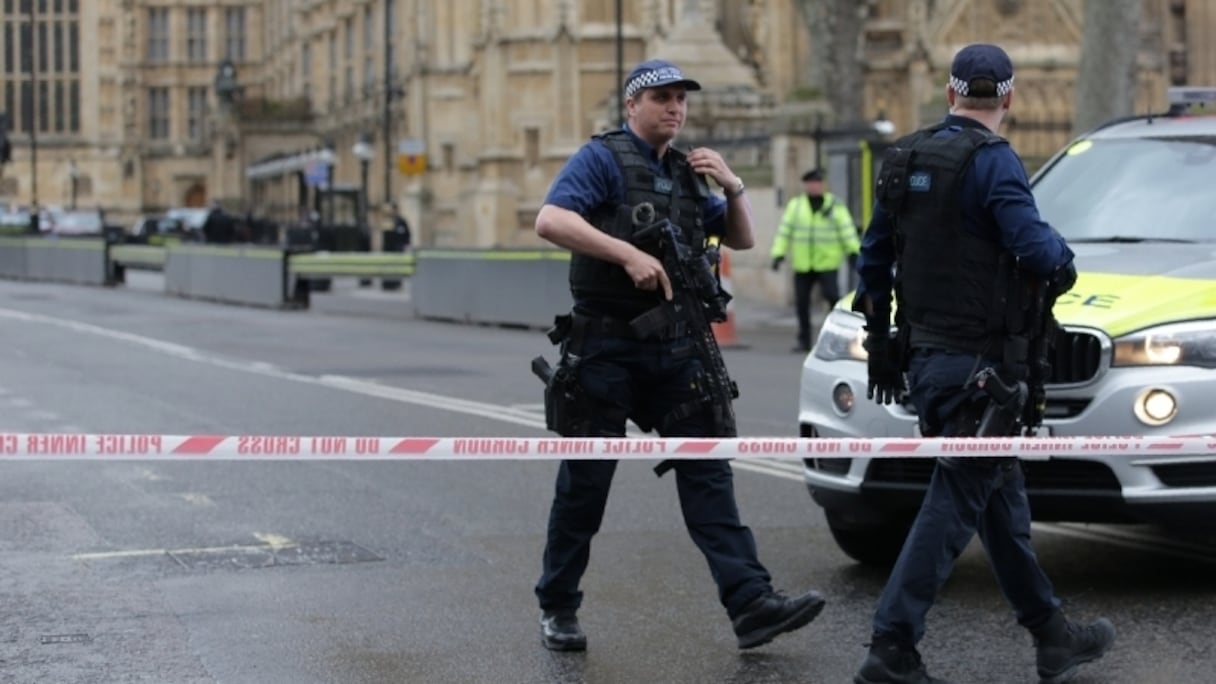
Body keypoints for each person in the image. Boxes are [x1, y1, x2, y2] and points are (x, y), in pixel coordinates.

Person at [532, 58, 826, 653]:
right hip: (607, 346)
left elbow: (741, 238)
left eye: (680, 99)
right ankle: (558, 605)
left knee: (709, 473)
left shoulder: (691, 171)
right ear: (632, 105)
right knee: (586, 485)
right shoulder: (603, 158)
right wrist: (627, 256)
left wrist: (733, 186)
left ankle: (751, 604)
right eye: (661, 97)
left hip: (675, 348)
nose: (674, 107)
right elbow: (550, 219)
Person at [850, 44, 1115, 684]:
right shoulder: (994, 162)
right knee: (956, 498)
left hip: (927, 362)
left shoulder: (903, 156)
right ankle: (892, 644)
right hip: (983, 371)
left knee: (999, 501)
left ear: (950, 95)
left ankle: (1052, 636)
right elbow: (1037, 251)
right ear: (1009, 99)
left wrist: (885, 344)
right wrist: (1062, 254)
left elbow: (873, 262)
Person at [770, 168, 859, 352]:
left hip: (827, 263)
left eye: (818, 183)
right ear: (806, 185)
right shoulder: (796, 206)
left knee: (833, 298)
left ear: (822, 185)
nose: (815, 186)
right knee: (802, 304)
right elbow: (785, 231)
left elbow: (846, 230)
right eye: (811, 183)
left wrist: (853, 252)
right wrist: (778, 253)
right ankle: (804, 340)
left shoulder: (834, 205)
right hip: (803, 264)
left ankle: (838, 337)